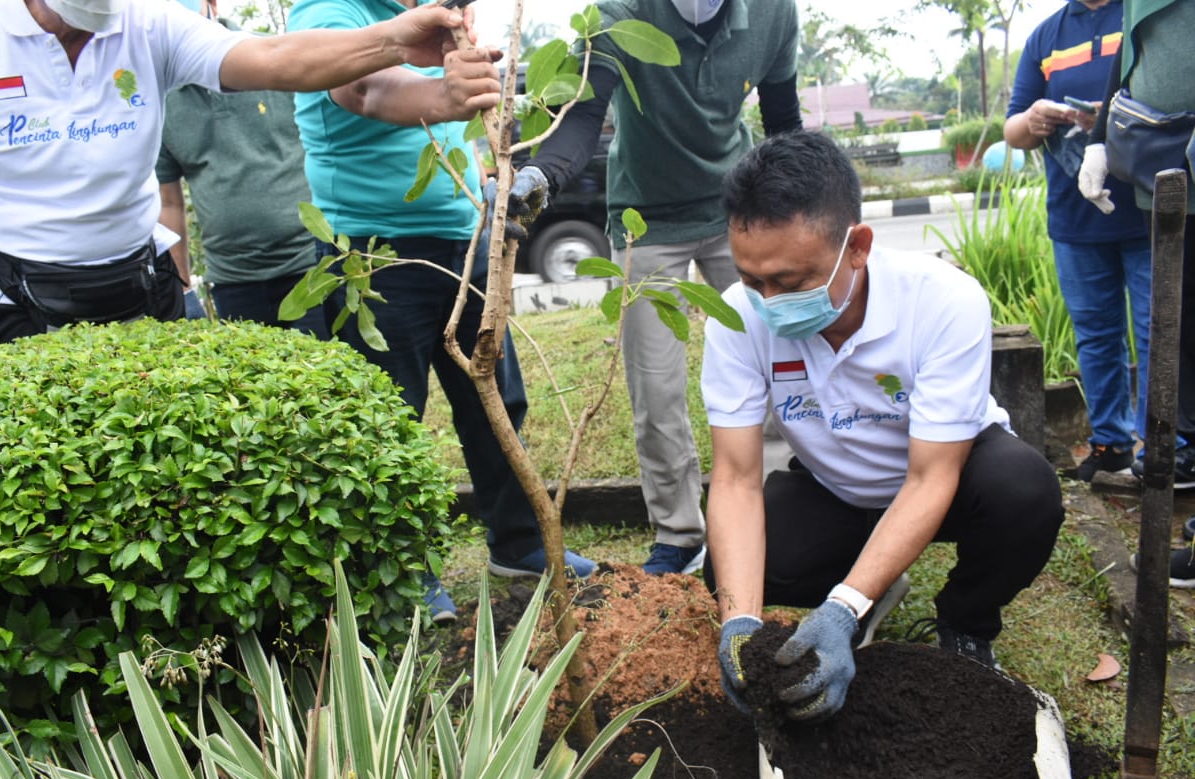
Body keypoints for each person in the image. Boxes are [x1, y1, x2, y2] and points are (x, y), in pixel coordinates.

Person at [0, 0, 493, 364]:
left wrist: (393, 40)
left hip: (138, 291)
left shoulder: (147, 20)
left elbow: (272, 57)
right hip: (14, 301)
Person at [708, 132, 1065, 719]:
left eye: (792, 283)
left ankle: (964, 619)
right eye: (753, 280)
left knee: (1024, 494)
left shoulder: (944, 301)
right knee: (729, 570)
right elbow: (735, 478)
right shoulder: (736, 318)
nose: (769, 303)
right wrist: (741, 620)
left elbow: (930, 477)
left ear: (858, 247)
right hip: (837, 487)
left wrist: (842, 607)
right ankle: (865, 586)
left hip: (947, 480)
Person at [286, 0, 597, 588]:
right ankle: (403, 574)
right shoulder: (328, 12)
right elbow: (365, 89)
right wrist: (443, 97)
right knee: (384, 421)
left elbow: (457, 133)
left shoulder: (443, 17)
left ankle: (520, 545)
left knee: (497, 401)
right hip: (375, 255)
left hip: (465, 240)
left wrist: (488, 190)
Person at [492, 0, 803, 576]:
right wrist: (541, 174)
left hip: (741, 211)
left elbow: (784, 120)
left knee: (782, 367)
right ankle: (679, 535)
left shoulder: (772, 12)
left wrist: (805, 208)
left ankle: (779, 520)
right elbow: (585, 115)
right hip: (648, 221)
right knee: (656, 390)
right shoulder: (621, 11)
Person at [1004, 0, 1151, 483]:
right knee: (1097, 337)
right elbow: (1013, 128)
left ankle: (1166, 449)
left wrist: (1110, 118)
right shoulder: (1046, 37)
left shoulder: (1141, 15)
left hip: (1150, 210)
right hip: (1076, 219)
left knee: (1160, 334)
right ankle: (1111, 446)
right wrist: (1035, 120)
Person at [1077, 0, 1195, 587]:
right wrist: (1101, 136)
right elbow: (1132, 46)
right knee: (1183, 340)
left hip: (1181, 161)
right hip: (1165, 176)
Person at [155, 0, 328, 337]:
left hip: (312, 265)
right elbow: (168, 202)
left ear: (213, 5)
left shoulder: (272, 59)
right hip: (234, 281)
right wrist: (183, 288)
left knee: (329, 379)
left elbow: (327, 144)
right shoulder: (160, 95)